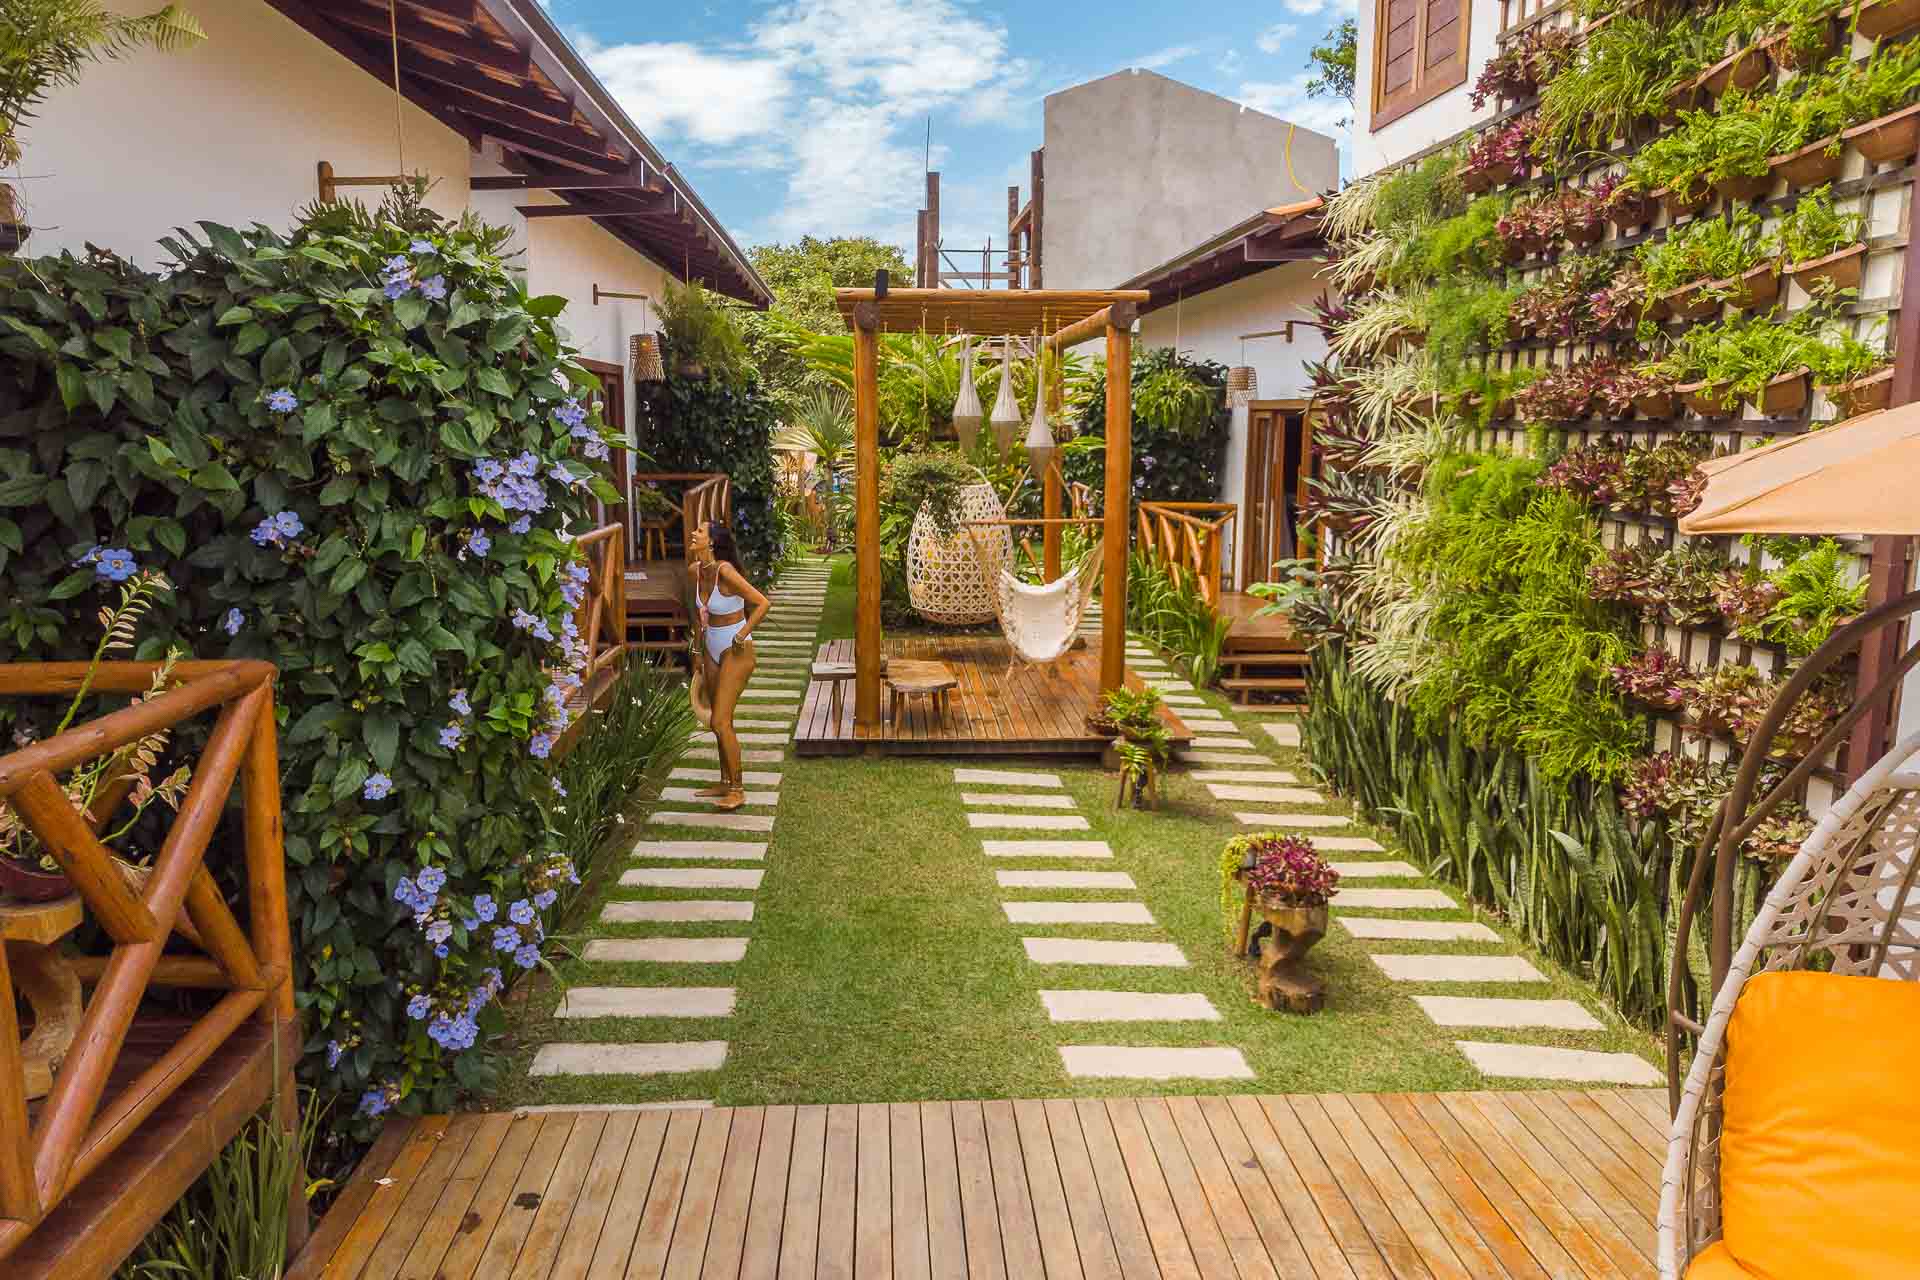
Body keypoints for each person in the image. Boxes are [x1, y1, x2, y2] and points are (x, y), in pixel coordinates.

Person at [688, 520, 769, 811]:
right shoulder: (695, 572)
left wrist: (741, 634)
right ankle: (724, 781)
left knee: (720, 721)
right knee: (720, 722)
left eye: (699, 531)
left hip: (737, 650)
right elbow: (699, 615)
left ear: (711, 542)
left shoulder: (726, 571)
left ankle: (737, 789)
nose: (693, 534)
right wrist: (697, 650)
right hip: (711, 648)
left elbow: (762, 603)